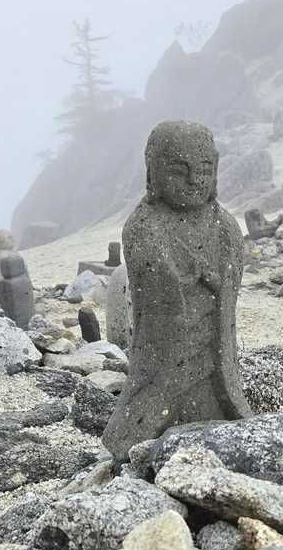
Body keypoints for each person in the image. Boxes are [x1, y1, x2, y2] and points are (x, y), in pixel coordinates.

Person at [102, 121, 252, 462]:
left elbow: (230, 283)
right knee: (156, 405)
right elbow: (154, 282)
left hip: (216, 354)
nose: (194, 180)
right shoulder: (143, 225)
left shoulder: (225, 226)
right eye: (178, 171)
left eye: (204, 170)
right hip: (166, 352)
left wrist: (218, 281)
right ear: (153, 172)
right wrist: (187, 277)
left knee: (217, 407)